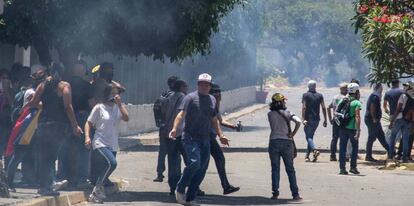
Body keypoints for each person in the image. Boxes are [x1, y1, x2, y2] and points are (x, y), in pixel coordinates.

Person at [169, 73, 229, 206]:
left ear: (210, 85)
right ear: (198, 84)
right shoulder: (190, 98)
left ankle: (190, 198)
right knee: (195, 163)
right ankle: (179, 189)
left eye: (207, 84)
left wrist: (221, 135)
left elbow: (214, 120)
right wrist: (174, 128)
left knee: (202, 169)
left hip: (205, 139)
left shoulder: (212, 100)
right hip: (190, 137)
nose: (204, 86)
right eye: (202, 83)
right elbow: (181, 114)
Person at [28, 63, 83, 196]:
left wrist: (43, 106)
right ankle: (47, 187)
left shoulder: (42, 85)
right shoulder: (64, 86)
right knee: (51, 156)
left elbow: (34, 103)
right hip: (59, 126)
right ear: (63, 72)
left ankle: (44, 186)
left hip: (43, 124)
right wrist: (75, 125)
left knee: (44, 156)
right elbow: (68, 107)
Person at [85, 84, 129, 203]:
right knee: (112, 163)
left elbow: (126, 118)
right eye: (112, 93)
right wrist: (87, 137)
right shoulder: (99, 107)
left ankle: (96, 193)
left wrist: (119, 104)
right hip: (100, 141)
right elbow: (88, 123)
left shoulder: (119, 107)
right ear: (107, 94)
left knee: (106, 168)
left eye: (117, 93)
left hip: (113, 143)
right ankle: (97, 189)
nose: (115, 96)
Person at [60, 61, 94, 189]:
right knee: (84, 149)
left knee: (64, 148)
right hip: (82, 118)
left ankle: (62, 177)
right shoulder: (87, 86)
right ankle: (82, 179)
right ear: (83, 71)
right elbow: (92, 104)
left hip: (65, 117)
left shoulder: (64, 84)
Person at [268, 93, 302, 201]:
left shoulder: (270, 114)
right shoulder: (288, 113)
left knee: (275, 169)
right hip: (287, 142)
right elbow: (298, 122)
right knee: (290, 169)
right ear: (282, 102)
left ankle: (275, 193)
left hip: (273, 142)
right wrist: (293, 134)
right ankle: (295, 194)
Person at [208, 84, 240, 195]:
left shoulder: (215, 105)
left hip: (209, 137)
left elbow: (220, 120)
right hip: (206, 137)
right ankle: (186, 184)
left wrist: (234, 126)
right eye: (218, 93)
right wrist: (221, 135)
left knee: (217, 159)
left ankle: (226, 186)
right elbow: (215, 122)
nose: (220, 95)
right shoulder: (210, 105)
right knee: (202, 163)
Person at [162, 79, 188, 195]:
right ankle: (190, 185)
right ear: (181, 87)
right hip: (180, 134)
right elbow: (184, 114)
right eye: (185, 86)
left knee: (172, 162)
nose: (187, 88)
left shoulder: (168, 97)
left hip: (168, 133)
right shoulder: (184, 97)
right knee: (191, 161)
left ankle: (173, 187)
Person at [154, 76, 178, 182]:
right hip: (174, 128)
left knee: (162, 152)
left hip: (163, 127)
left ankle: (160, 174)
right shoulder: (178, 96)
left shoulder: (163, 94)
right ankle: (176, 174)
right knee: (176, 153)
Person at [338, 83, 362, 175]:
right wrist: (358, 130)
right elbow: (357, 116)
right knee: (355, 148)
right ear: (356, 92)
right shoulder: (356, 102)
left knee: (342, 148)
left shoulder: (343, 100)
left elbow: (337, 111)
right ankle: (353, 167)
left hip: (342, 128)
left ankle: (342, 169)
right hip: (352, 129)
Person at [301, 80, 327, 162]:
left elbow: (304, 107)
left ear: (308, 86)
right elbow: (323, 107)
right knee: (311, 136)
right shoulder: (320, 95)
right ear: (315, 86)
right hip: (317, 120)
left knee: (308, 136)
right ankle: (307, 156)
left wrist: (303, 118)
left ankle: (314, 150)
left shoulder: (305, 95)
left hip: (308, 119)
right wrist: (325, 120)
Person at [388, 82, 414, 163]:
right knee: (405, 139)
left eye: (406, 86)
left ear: (409, 88)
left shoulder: (403, 96)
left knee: (393, 136)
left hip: (399, 119)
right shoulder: (413, 98)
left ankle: (391, 155)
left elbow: (398, 109)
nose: (404, 87)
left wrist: (392, 120)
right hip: (408, 121)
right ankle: (405, 158)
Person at [364, 83, 389, 161]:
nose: (382, 90)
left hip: (374, 120)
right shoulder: (375, 97)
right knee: (371, 138)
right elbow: (372, 108)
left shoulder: (374, 96)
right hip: (372, 120)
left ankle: (391, 152)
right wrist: (374, 118)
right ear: (378, 88)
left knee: (381, 136)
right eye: (381, 88)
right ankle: (368, 156)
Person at [327, 83, 348, 161]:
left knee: (334, 138)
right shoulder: (346, 98)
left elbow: (328, 107)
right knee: (343, 138)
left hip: (335, 120)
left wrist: (330, 119)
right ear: (344, 89)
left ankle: (332, 155)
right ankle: (343, 156)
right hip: (343, 121)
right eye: (346, 88)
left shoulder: (335, 97)